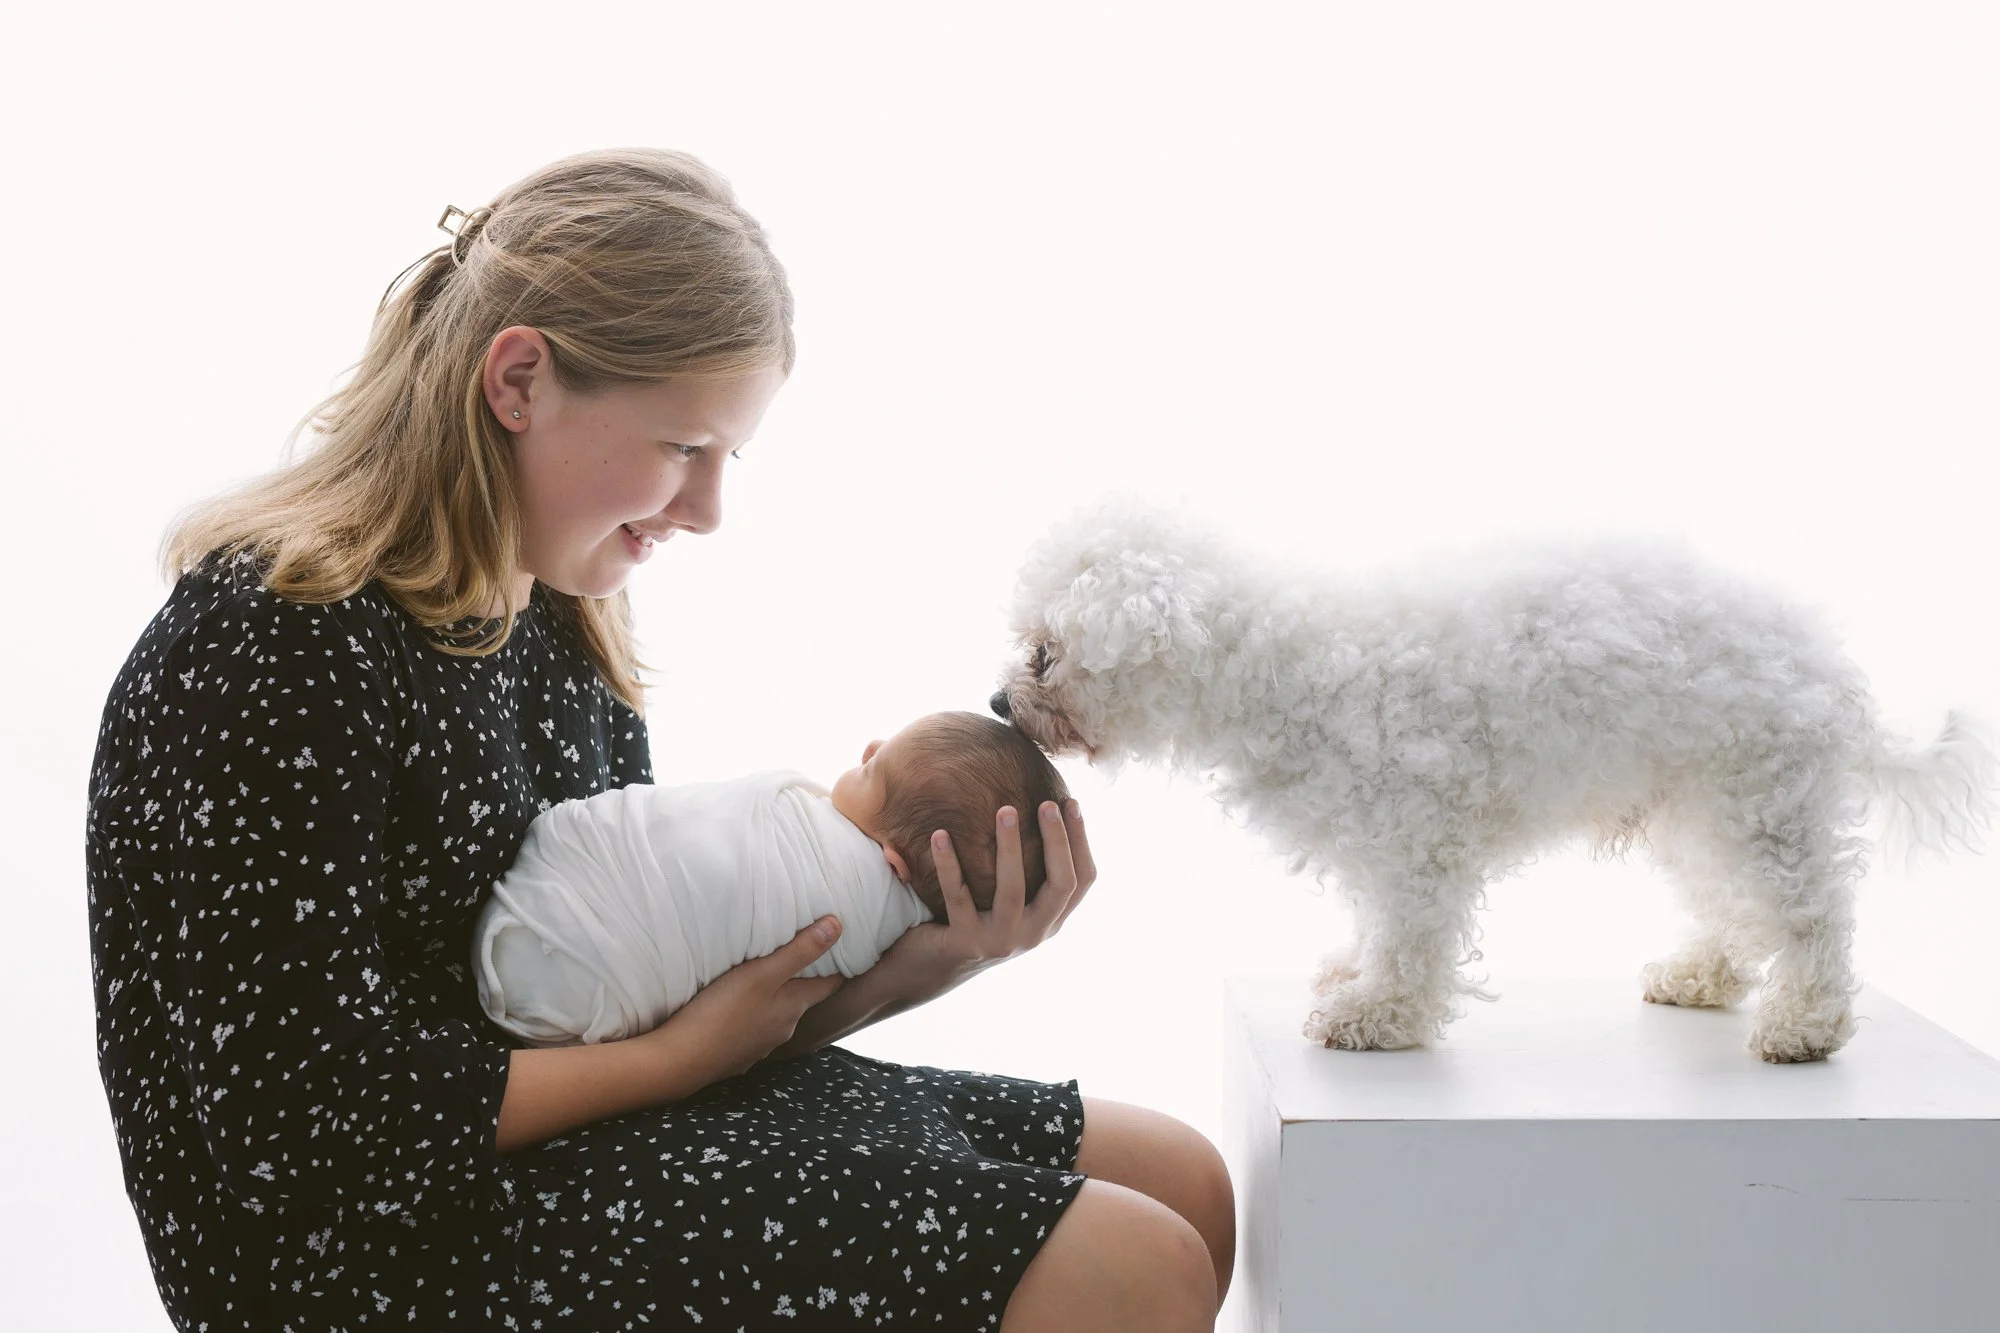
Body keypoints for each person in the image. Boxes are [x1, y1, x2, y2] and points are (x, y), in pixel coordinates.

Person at [86, 147, 1233, 1331]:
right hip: (374, 1245)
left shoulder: (561, 611)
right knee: (1128, 1264)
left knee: (1182, 1177)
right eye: (685, 448)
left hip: (581, 1129)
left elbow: (658, 1004)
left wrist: (920, 965)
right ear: (517, 379)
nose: (706, 509)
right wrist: (672, 1066)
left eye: (726, 456)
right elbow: (300, 1129)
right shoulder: (273, 642)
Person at [473, 710, 1072, 1046]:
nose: (868, 747)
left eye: (875, 771)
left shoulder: (841, 890)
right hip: (572, 1015)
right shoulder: (880, 942)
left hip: (547, 905)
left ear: (893, 863)